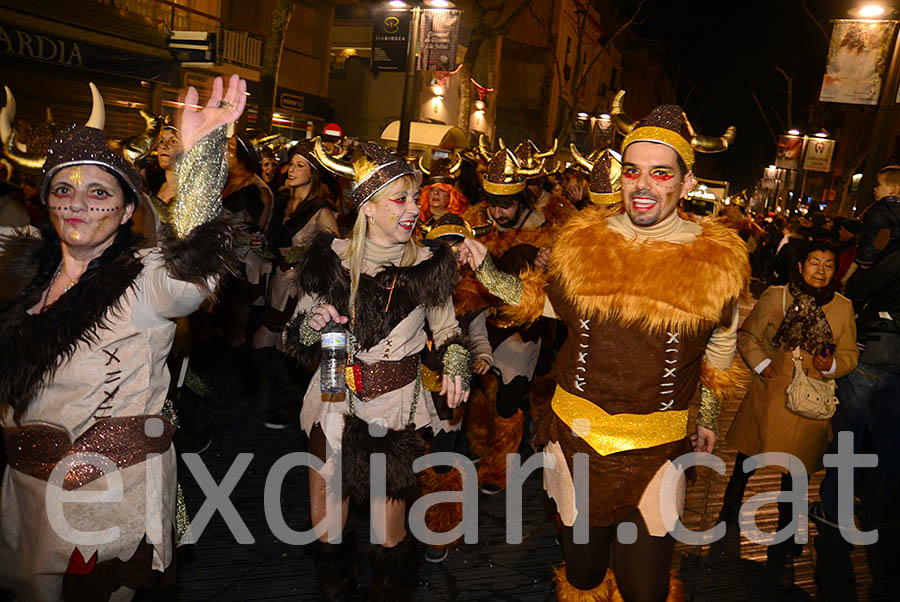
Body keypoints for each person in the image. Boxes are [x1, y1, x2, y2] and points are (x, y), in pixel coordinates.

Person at [458, 100, 746, 601]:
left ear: (686, 181)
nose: (644, 185)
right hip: (579, 441)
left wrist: (711, 413)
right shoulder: (585, 242)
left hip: (658, 449)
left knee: (643, 586)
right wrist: (485, 269)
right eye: (633, 171)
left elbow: (722, 338)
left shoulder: (715, 259)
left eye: (661, 173)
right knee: (585, 573)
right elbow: (540, 303)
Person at [0, 74, 246, 602]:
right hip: (22, 496)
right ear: (46, 201)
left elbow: (191, 278)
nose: (79, 203)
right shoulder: (20, 272)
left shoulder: (145, 277)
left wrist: (199, 163)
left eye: (99, 192)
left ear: (129, 209)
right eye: (64, 190)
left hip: (108, 497)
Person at [282, 138, 471, 601]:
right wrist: (314, 325)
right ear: (368, 206)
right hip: (333, 405)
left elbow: (447, 332)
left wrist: (457, 362)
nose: (413, 209)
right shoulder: (332, 260)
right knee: (328, 535)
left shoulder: (429, 264)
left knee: (389, 543)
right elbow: (296, 335)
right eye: (400, 199)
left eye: (414, 198)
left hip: (395, 414)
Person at [723, 241, 858, 572]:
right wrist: (759, 363)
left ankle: (789, 535)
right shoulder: (776, 296)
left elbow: (851, 355)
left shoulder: (842, 307)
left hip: (812, 399)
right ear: (800, 265)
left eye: (828, 265)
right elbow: (747, 336)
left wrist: (831, 365)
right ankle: (728, 511)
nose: (820, 271)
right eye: (814, 263)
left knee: (797, 473)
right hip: (773, 391)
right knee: (748, 457)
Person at [811, 241, 900, 533]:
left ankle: (834, 508)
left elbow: (860, 287)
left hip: (876, 352)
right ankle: (876, 510)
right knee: (890, 443)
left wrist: (865, 266)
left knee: (849, 434)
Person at [252, 143, 338, 429]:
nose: (291, 170)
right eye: (292, 164)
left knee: (287, 346)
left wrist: (302, 255)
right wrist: (262, 245)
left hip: (301, 289)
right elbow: (275, 245)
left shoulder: (321, 211)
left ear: (313, 173)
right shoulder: (282, 202)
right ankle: (272, 401)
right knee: (263, 343)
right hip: (277, 283)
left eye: (300, 165)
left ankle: (292, 408)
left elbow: (336, 255)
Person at [770, 217, 808, 285]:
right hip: (796, 280)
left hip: (783, 278)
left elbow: (778, 260)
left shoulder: (787, 244)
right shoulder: (805, 247)